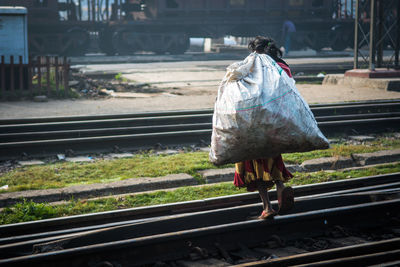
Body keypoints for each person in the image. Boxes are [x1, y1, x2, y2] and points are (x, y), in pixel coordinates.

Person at [234, 36, 295, 220]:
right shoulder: (280, 66)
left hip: (253, 125)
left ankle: (267, 207)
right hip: (274, 124)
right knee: (274, 158)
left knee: (254, 165)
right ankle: (280, 188)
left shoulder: (251, 67)